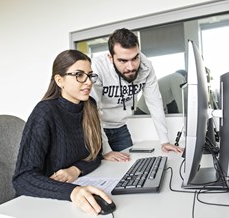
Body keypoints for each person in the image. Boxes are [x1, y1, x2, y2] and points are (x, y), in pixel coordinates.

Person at [13, 50, 114, 216]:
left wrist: (75, 170)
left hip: (71, 192)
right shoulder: (45, 112)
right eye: (79, 75)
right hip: (40, 201)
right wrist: (72, 192)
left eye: (90, 75)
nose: (88, 82)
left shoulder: (90, 106)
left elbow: (95, 154)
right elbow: (23, 179)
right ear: (60, 80)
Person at [90, 28, 184, 154]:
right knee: (102, 170)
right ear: (110, 57)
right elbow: (92, 110)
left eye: (135, 58)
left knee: (129, 166)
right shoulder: (96, 68)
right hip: (98, 128)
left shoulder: (146, 66)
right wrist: (106, 150)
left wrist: (164, 141)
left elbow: (155, 103)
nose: (131, 67)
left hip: (121, 127)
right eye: (123, 61)